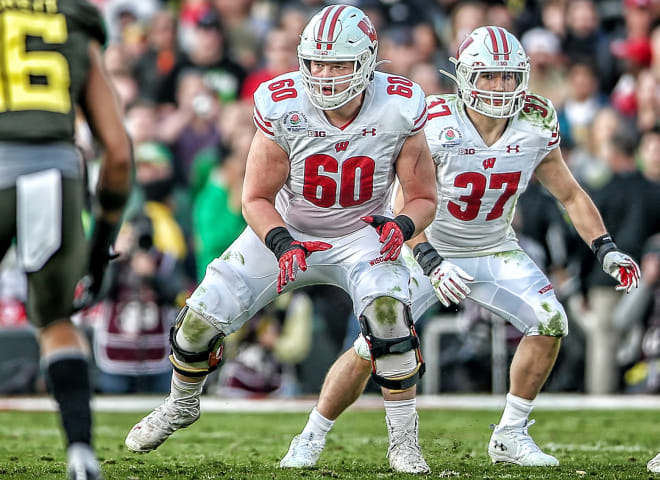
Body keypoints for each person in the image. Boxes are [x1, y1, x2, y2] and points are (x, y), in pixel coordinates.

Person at [280, 25, 641, 470]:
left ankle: (510, 433)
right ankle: (311, 434)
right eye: (488, 76)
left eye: (508, 76)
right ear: (464, 76)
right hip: (424, 247)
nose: (499, 86)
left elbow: (570, 194)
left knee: (551, 322)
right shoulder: (433, 120)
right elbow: (405, 202)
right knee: (373, 343)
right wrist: (431, 261)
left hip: (494, 246)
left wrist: (605, 248)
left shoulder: (536, 120)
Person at [125, 4, 437, 474]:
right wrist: (281, 243)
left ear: (368, 62)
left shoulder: (400, 105)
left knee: (391, 321)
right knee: (195, 323)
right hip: (288, 230)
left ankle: (404, 440)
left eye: (338, 64)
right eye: (316, 63)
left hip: (364, 235)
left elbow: (423, 197)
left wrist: (402, 227)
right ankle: (182, 403)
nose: (325, 76)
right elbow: (254, 197)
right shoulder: (282, 102)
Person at [0, 1, 133, 479]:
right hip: (51, 177)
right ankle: (81, 454)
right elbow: (117, 153)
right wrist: (101, 245)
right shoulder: (72, 21)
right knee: (56, 320)